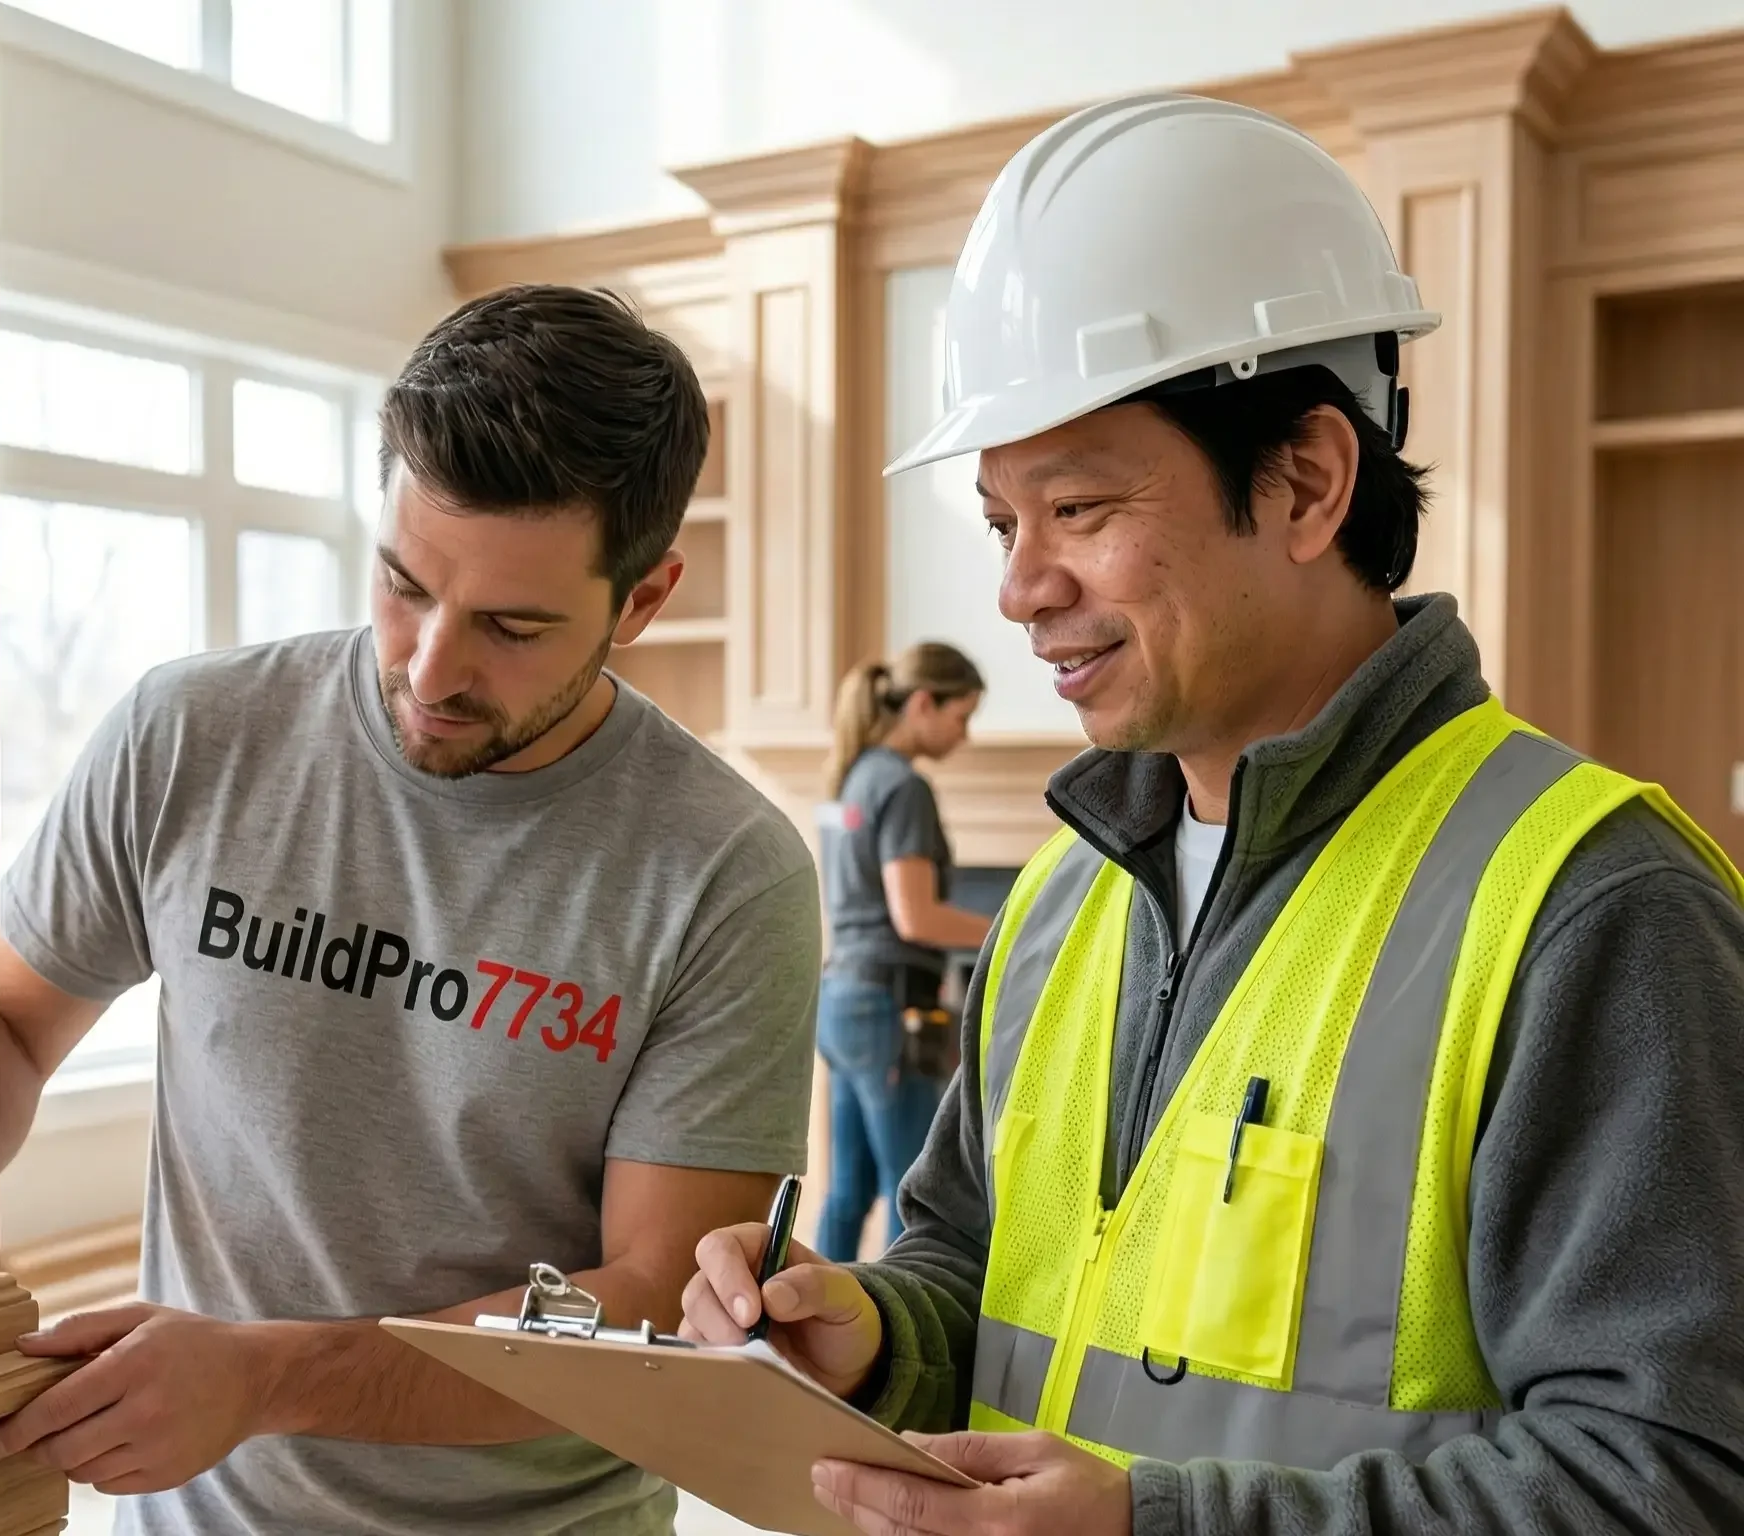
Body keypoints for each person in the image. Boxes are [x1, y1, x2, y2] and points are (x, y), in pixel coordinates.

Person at [680, 93, 1744, 1536]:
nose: (1019, 590)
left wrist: (1157, 1525)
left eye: (1080, 509)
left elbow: (1670, 1483)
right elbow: (976, 1268)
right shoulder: (1063, 898)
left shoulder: (1589, 906)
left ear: (1306, 479)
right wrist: (870, 1333)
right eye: (1003, 522)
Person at [0, 284, 821, 1536]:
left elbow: (651, 1306)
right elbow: (3, 1032)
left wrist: (263, 1376)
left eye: (513, 627)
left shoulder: (723, 872)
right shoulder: (188, 737)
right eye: (402, 585)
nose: (430, 670)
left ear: (641, 600)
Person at [814, 644, 992, 1261]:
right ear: (923, 703)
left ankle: (787, 1335)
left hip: (841, 999)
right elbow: (916, 916)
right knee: (911, 1194)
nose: (963, 735)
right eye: (960, 716)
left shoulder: (853, 776)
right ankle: (892, 1346)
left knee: (846, 1192)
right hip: (888, 1005)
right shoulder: (903, 786)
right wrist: (1011, 929)